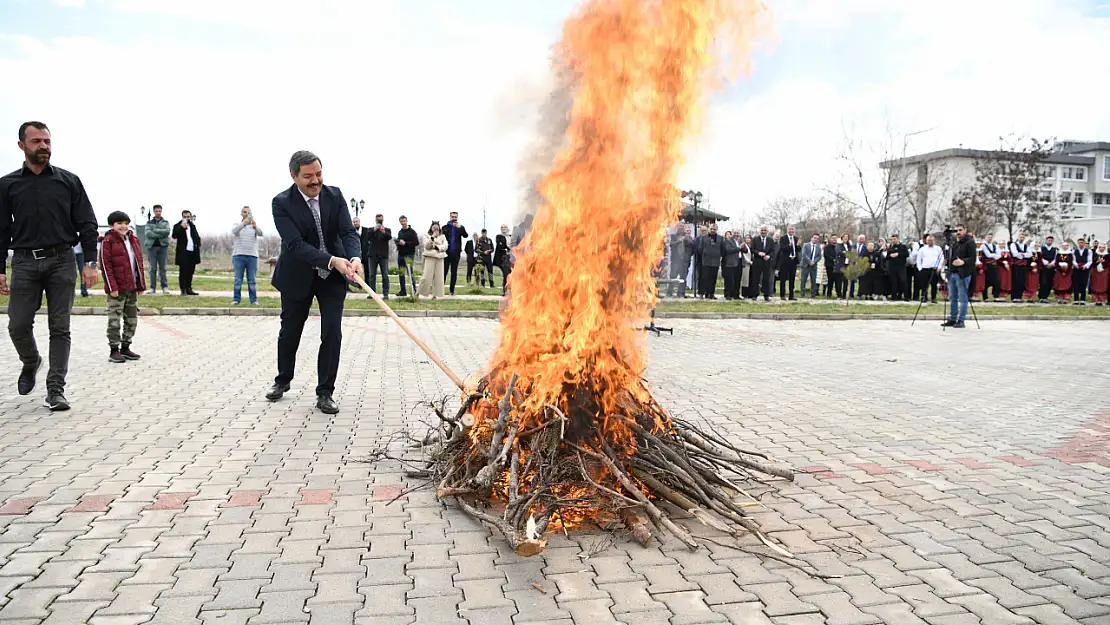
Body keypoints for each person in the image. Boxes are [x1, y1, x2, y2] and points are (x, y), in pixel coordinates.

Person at [0, 121, 99, 411]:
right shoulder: (7, 186)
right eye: (36, 141)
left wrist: (90, 262)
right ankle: (31, 361)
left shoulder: (68, 181)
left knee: (60, 327)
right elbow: (1, 230)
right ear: (21, 146)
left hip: (61, 260)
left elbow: (87, 223)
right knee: (17, 325)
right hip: (24, 262)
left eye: (47, 141)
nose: (44, 146)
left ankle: (55, 390)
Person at [265, 151, 361, 415]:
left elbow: (347, 232)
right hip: (298, 275)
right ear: (294, 176)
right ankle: (282, 380)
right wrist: (332, 260)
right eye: (308, 176)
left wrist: (354, 258)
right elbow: (295, 245)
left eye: (318, 174)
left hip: (333, 278)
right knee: (290, 331)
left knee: (332, 332)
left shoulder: (335, 195)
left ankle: (325, 392)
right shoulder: (281, 203)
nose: (315, 181)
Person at [98, 211, 145, 363]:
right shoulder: (108, 241)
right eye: (119, 223)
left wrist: (140, 284)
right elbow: (106, 265)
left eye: (126, 223)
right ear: (112, 226)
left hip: (132, 287)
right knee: (114, 320)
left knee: (132, 319)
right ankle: (114, 349)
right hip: (117, 289)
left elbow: (139, 263)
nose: (123, 226)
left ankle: (126, 347)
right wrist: (112, 287)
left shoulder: (134, 240)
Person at [943, 224, 976, 328]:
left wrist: (963, 261)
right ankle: (952, 318)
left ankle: (961, 320)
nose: (958, 232)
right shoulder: (954, 243)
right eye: (956, 230)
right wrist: (947, 260)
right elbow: (952, 256)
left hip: (963, 274)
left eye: (960, 230)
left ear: (965, 230)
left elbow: (972, 258)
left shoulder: (970, 243)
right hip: (952, 273)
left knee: (963, 298)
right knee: (952, 297)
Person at [231, 205, 263, 305]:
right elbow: (234, 231)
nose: (246, 214)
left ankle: (253, 300)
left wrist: (255, 226)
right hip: (238, 255)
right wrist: (244, 224)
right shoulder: (237, 224)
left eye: (248, 212)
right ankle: (236, 299)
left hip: (252, 255)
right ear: (241, 213)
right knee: (238, 279)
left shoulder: (253, 225)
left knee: (252, 280)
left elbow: (261, 233)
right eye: (244, 212)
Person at [171, 210, 201, 296]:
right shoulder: (177, 225)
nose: (187, 218)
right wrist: (181, 227)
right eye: (185, 217)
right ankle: (183, 289)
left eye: (188, 217)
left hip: (192, 252)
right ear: (182, 217)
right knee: (183, 271)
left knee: (190, 271)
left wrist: (198, 243)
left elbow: (196, 236)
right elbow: (174, 235)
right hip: (183, 252)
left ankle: (189, 288)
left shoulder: (192, 226)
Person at [144, 204, 171, 294]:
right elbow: (148, 233)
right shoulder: (149, 223)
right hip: (152, 247)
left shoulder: (165, 222)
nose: (158, 212)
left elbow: (167, 232)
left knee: (163, 268)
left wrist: (155, 230)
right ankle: (152, 288)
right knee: (152, 268)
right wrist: (160, 232)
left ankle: (165, 287)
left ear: (161, 211)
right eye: (156, 211)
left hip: (163, 247)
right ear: (154, 212)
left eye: (159, 211)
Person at [364, 213, 392, 299]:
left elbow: (389, 237)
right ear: (375, 220)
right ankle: (372, 293)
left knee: (385, 275)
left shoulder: (387, 230)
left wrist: (383, 231)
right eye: (378, 220)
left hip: (383, 256)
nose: (379, 221)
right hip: (372, 256)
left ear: (383, 220)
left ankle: (386, 293)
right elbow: (367, 237)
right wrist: (375, 229)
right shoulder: (371, 229)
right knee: (372, 275)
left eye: (381, 220)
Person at [418, 221, 448, 299]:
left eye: (437, 227)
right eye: (434, 227)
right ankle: (420, 293)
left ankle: (436, 295)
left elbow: (445, 246)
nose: (435, 229)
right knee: (426, 276)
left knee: (439, 278)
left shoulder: (443, 236)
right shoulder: (426, 235)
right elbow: (427, 246)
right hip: (430, 257)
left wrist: (437, 247)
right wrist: (433, 237)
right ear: (431, 227)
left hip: (440, 257)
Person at [441, 211, 468, 295]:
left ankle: (451, 291)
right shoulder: (445, 227)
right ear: (450, 217)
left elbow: (465, 235)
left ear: (457, 217)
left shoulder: (460, 227)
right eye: (452, 217)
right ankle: (440, 289)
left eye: (455, 217)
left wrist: (460, 228)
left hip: (456, 253)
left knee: (454, 272)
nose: (454, 218)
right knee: (444, 272)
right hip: (446, 253)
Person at [697, 223, 725, 299]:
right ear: (709, 229)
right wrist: (706, 254)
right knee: (704, 278)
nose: (712, 230)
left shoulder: (720, 238)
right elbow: (700, 249)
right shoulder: (704, 237)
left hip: (715, 262)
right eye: (711, 229)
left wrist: (718, 255)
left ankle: (711, 294)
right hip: (706, 261)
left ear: (716, 230)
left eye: (714, 229)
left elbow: (722, 249)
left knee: (713, 279)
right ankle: (702, 293)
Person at [394, 215, 419, 297]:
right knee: (401, 273)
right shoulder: (400, 232)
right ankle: (403, 291)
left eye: (404, 221)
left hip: (409, 255)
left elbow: (416, 242)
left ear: (407, 221)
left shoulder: (412, 232)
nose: (403, 223)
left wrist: (406, 243)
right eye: (401, 221)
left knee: (410, 272)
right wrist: (398, 243)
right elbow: (399, 242)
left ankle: (414, 290)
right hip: (401, 255)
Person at [915, 234, 942, 303]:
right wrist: (920, 268)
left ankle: (934, 298)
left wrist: (939, 267)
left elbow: (941, 258)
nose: (930, 242)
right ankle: (924, 297)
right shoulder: (922, 249)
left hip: (934, 269)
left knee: (934, 285)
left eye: (932, 240)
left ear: (934, 241)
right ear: (926, 241)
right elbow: (918, 260)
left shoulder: (938, 249)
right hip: (925, 269)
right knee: (924, 285)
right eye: (929, 240)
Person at [668, 225, 694, 298]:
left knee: (683, 278)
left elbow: (692, 245)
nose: (681, 229)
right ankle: (669, 292)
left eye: (682, 228)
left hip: (684, 261)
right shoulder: (674, 236)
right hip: (675, 261)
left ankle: (681, 293)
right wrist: (679, 241)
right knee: (673, 277)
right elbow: (671, 244)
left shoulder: (688, 237)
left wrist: (686, 238)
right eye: (680, 227)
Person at [776, 225, 800, 300]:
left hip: (793, 261)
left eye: (792, 229)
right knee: (783, 279)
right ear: (787, 230)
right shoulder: (783, 238)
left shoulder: (796, 238)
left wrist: (798, 245)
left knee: (792, 279)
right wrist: (789, 245)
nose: (791, 231)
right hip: (785, 261)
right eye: (790, 229)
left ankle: (791, 295)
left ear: (794, 230)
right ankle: (782, 295)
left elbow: (798, 250)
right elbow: (782, 249)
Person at [752, 225, 775, 301]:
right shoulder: (755, 239)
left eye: (765, 230)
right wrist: (758, 253)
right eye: (762, 230)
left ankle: (766, 295)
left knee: (766, 279)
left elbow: (773, 251)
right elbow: (752, 249)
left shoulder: (770, 240)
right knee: (755, 278)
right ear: (760, 231)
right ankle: (754, 295)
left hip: (766, 262)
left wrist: (768, 256)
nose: (763, 232)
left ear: (767, 231)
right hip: (757, 261)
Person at [1009, 232, 1033, 302]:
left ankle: (1019, 297)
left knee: (1022, 281)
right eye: (1020, 237)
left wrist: (1022, 254)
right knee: (1015, 281)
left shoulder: (1026, 246)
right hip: (1016, 265)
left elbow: (1030, 254)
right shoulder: (1013, 244)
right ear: (1018, 237)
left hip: (1023, 266)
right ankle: (1014, 297)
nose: (1021, 238)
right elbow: (1015, 254)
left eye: (1023, 237)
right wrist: (1023, 255)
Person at [885, 234, 908, 301]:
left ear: (898, 239)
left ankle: (906, 296)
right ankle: (894, 297)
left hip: (901, 267)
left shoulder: (903, 246)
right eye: (892, 239)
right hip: (892, 267)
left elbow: (907, 254)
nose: (893, 240)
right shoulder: (891, 247)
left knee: (903, 281)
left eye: (894, 239)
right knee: (893, 282)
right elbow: (887, 257)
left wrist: (898, 254)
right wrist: (890, 255)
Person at [980, 234, 1002, 301]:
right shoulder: (983, 246)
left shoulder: (995, 246)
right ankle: (985, 297)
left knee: (997, 280)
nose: (989, 238)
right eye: (988, 237)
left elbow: (999, 255)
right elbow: (988, 255)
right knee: (986, 281)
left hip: (994, 266)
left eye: (991, 237)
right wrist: (995, 255)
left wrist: (994, 256)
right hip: (987, 266)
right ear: (985, 238)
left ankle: (996, 296)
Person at [799, 233, 822, 298]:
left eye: (817, 238)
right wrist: (810, 261)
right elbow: (804, 254)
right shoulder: (806, 245)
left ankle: (813, 294)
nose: (816, 239)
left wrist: (814, 262)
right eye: (814, 238)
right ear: (811, 238)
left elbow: (819, 256)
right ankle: (802, 294)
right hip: (805, 265)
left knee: (813, 280)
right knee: (803, 280)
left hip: (814, 266)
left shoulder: (818, 247)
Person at [721, 231, 741, 300]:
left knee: (737, 280)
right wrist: (739, 248)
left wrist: (743, 249)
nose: (736, 234)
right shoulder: (728, 241)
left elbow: (743, 250)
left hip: (738, 262)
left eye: (737, 233)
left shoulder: (739, 241)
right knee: (729, 280)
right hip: (730, 263)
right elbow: (728, 250)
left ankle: (736, 295)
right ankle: (728, 295)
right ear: (732, 234)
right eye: (735, 233)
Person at [1072, 238, 1093, 305]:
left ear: (1084, 243)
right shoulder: (1074, 251)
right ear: (1078, 243)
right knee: (1076, 284)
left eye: (1082, 242)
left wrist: (1085, 266)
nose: (1081, 244)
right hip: (1076, 269)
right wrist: (1075, 265)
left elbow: (1090, 260)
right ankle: (1076, 299)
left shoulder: (1089, 251)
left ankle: (1083, 299)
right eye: (1079, 242)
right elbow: (1073, 260)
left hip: (1084, 269)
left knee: (1084, 283)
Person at [494, 224, 512, 295]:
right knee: (506, 274)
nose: (503, 228)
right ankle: (505, 291)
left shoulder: (511, 236)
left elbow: (515, 244)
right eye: (502, 227)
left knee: (511, 274)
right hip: (502, 258)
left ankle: (511, 290)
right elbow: (501, 245)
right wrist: (508, 248)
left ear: (507, 228)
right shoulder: (499, 236)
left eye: (505, 227)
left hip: (511, 258)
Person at [1038, 236, 1057, 303]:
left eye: (1051, 240)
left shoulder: (1054, 249)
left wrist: (1051, 264)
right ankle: (1041, 296)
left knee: (1049, 282)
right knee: (1043, 282)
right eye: (1049, 240)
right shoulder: (1042, 248)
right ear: (1046, 240)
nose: (1050, 241)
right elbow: (1040, 256)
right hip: (1044, 267)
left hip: (1051, 267)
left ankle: (1046, 297)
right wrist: (1046, 263)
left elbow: (1056, 258)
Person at [738, 234, 752, 300]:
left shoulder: (750, 246)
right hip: (745, 264)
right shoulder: (744, 246)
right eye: (746, 238)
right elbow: (744, 255)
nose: (748, 239)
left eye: (749, 238)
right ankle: (744, 294)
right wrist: (749, 262)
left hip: (749, 264)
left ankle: (748, 293)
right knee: (744, 279)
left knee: (748, 279)